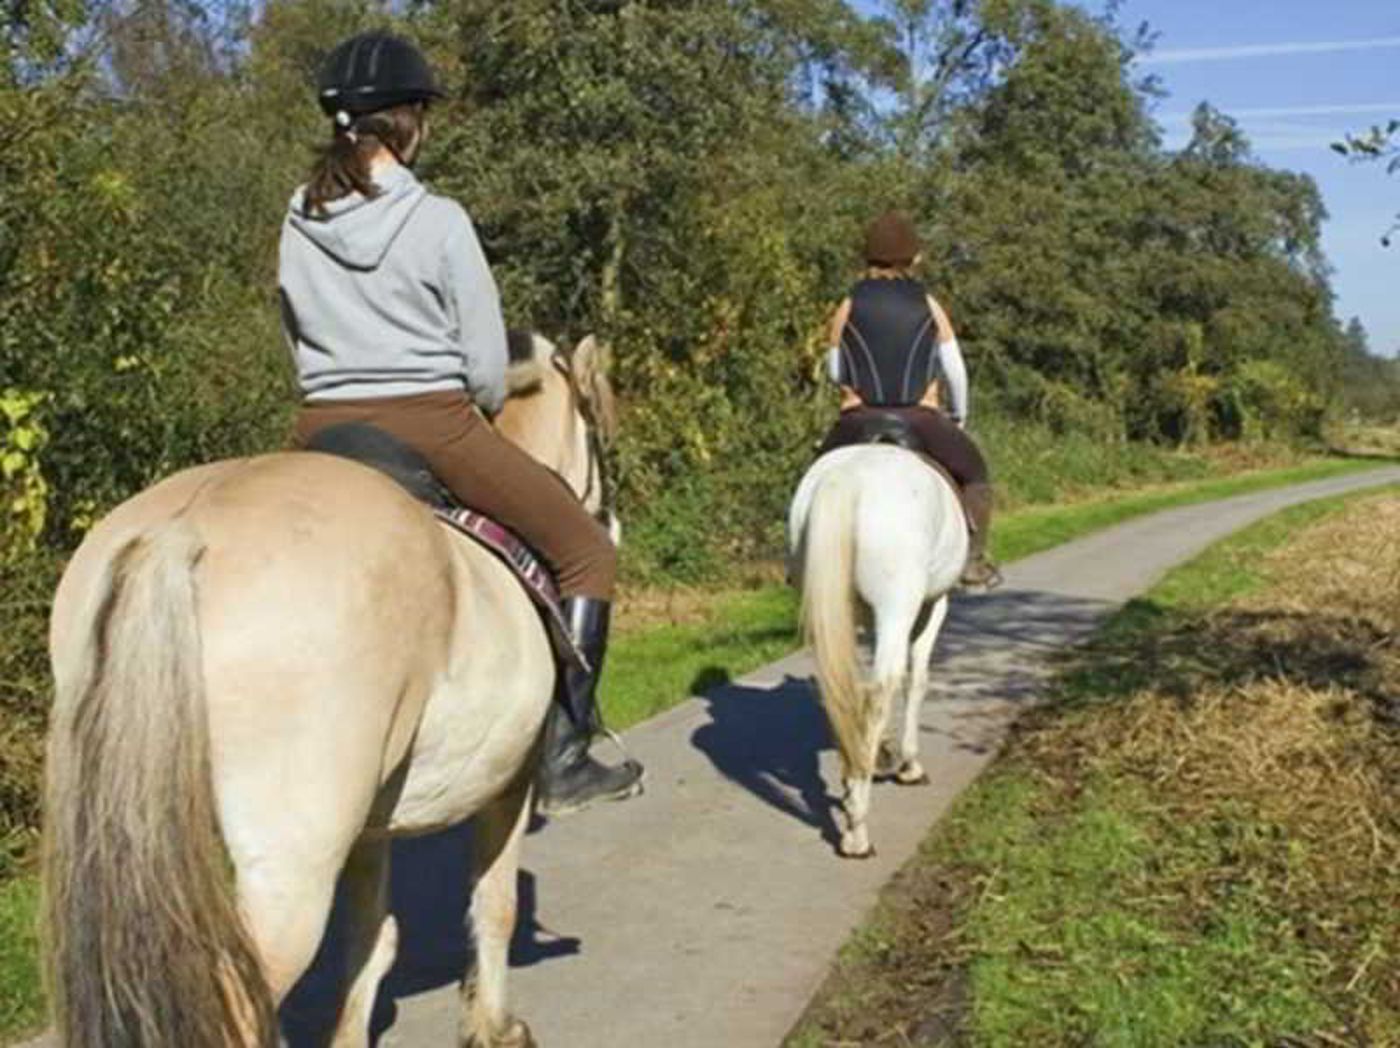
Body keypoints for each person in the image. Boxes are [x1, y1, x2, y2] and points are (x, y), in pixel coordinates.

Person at [278, 31, 642, 814]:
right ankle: (564, 753)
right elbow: (483, 366)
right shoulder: (440, 220)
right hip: (431, 422)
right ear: (408, 123)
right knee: (584, 552)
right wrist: (467, 410)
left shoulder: (297, 216)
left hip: (319, 430)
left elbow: (294, 331)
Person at [820, 211, 1001, 588]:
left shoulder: (847, 305)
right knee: (976, 473)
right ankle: (973, 561)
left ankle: (802, 558)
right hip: (919, 417)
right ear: (914, 258)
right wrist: (959, 414)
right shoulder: (929, 305)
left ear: (866, 257)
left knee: (816, 476)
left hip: (858, 418)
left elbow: (836, 369)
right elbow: (955, 370)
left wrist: (856, 388)